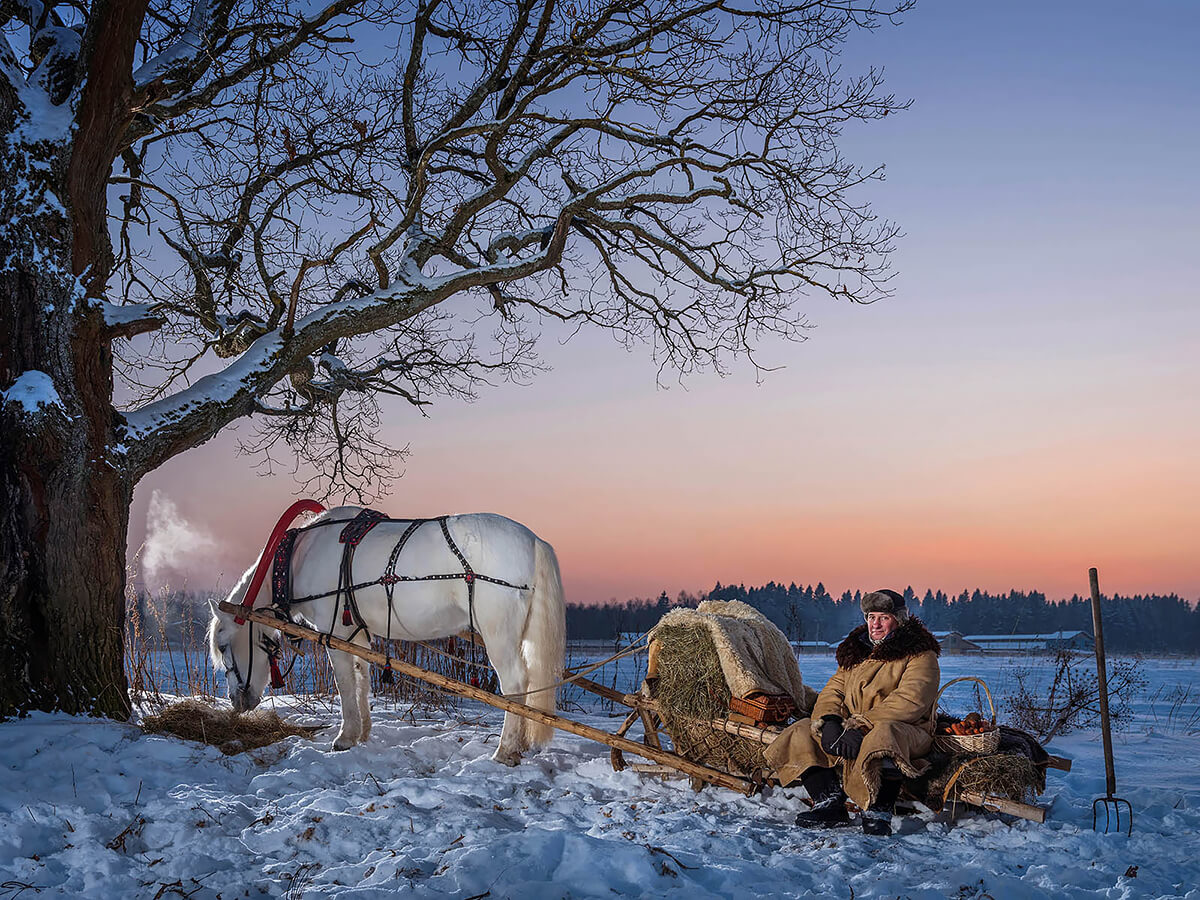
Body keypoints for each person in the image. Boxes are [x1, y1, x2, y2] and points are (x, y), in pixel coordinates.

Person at [764, 589, 941, 836]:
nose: (875, 624)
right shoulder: (857, 652)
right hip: (852, 726)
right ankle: (828, 802)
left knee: (884, 735)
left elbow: (911, 700)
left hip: (905, 729)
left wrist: (861, 725)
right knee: (801, 730)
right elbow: (833, 690)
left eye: (883, 617)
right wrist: (831, 721)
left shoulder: (921, 655)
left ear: (899, 619)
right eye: (871, 617)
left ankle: (878, 810)